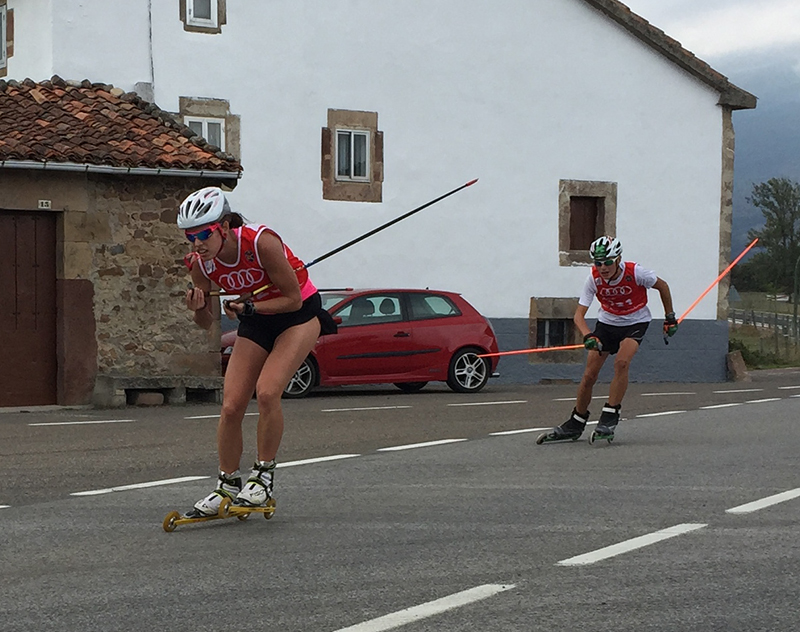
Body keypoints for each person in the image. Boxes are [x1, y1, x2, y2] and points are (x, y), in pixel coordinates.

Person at [179, 186, 336, 517]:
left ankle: (263, 478)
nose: (197, 244)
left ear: (223, 227)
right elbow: (206, 321)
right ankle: (227, 484)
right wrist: (197, 308)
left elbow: (293, 298)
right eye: (189, 236)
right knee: (231, 404)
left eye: (204, 234)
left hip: (299, 315)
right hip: (257, 319)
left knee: (266, 393)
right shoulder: (200, 265)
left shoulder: (261, 242)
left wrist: (250, 309)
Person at [537, 236, 678, 443]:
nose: (603, 268)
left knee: (621, 363)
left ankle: (610, 416)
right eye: (598, 263)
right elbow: (578, 315)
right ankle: (576, 421)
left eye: (607, 262)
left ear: (618, 258)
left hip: (635, 321)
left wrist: (670, 318)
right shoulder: (593, 279)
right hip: (608, 323)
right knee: (589, 376)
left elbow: (663, 286)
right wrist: (588, 335)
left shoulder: (636, 272)